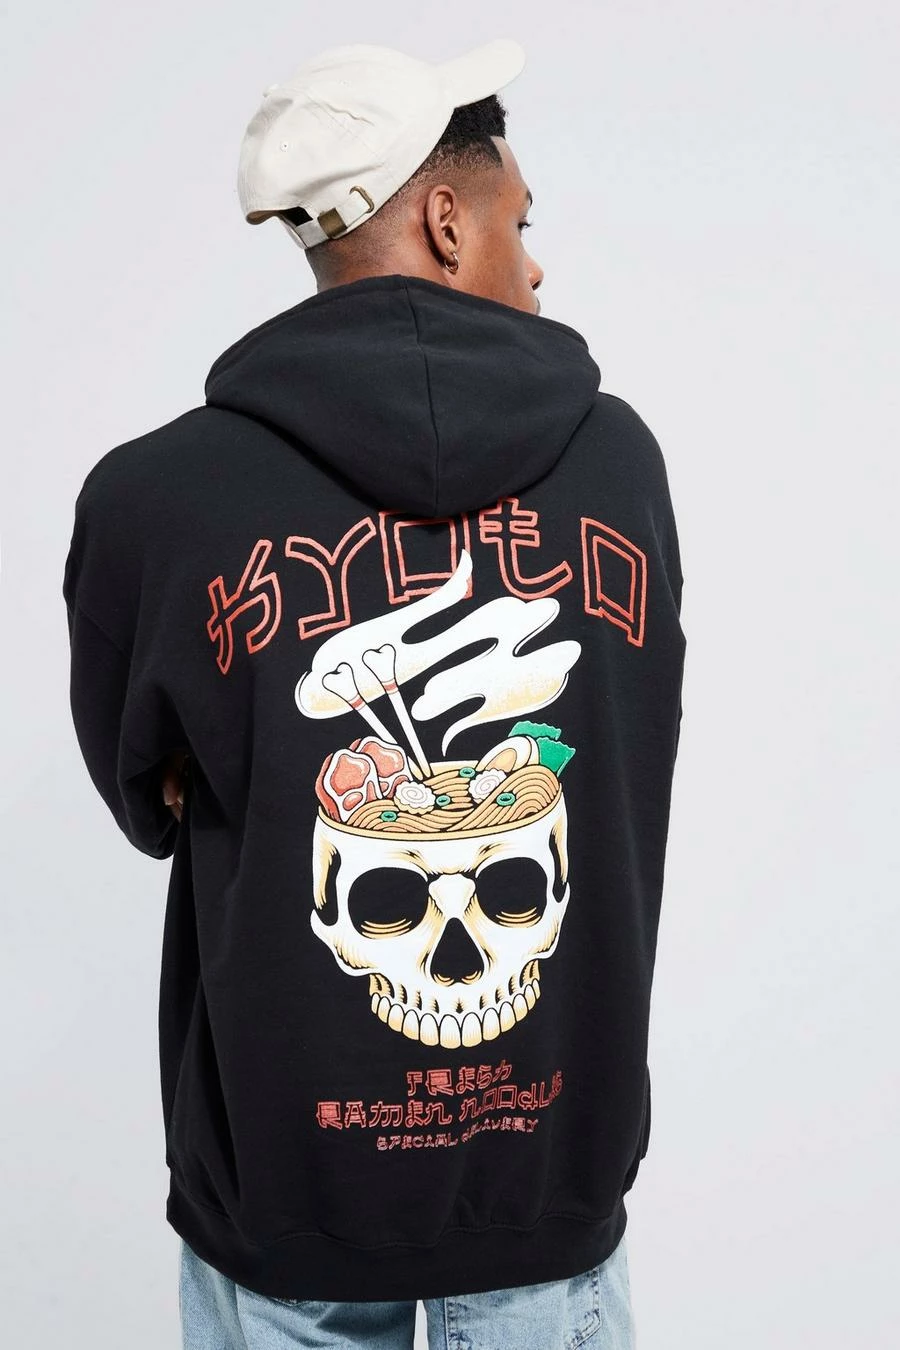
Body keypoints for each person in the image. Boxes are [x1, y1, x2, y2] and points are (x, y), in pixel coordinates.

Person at [62, 36, 685, 1350]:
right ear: (448, 221)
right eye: (523, 222)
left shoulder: (152, 502)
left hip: (284, 1217)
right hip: (549, 1209)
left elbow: (152, 790)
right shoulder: (620, 468)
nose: (536, 263)